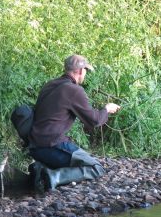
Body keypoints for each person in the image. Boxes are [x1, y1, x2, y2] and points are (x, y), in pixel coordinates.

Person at [28, 54, 120, 191]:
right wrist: (106, 109)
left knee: (76, 162)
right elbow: (94, 121)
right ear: (80, 71)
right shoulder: (74, 90)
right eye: (86, 71)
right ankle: (55, 176)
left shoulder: (49, 85)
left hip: (35, 147)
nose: (85, 74)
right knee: (96, 168)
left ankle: (41, 168)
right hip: (52, 146)